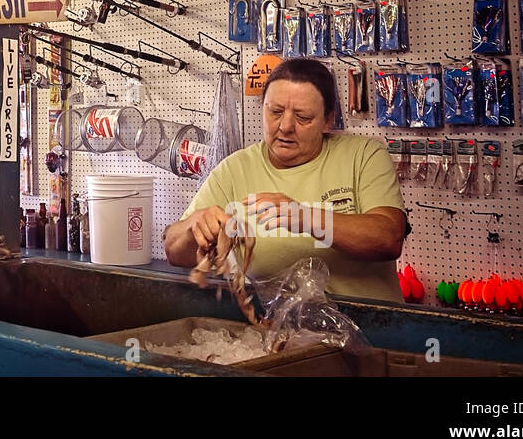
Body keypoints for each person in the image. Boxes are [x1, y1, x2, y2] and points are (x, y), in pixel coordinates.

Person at [163, 58, 406, 301]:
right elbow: (175, 253)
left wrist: (309, 218)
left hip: (372, 328)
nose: (286, 126)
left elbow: (389, 238)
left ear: (328, 120)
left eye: (303, 117)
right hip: (276, 330)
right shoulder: (234, 170)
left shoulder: (364, 156)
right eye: (275, 112)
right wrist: (194, 225)